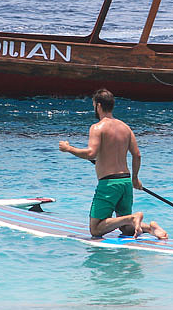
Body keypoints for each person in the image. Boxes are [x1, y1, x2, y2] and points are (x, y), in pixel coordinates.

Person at [59, 88, 167, 240]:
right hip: (125, 182)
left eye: (94, 105)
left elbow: (91, 153)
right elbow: (137, 155)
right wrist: (135, 178)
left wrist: (69, 148)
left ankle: (132, 217)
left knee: (95, 229)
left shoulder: (97, 127)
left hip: (109, 184)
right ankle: (150, 228)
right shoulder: (125, 128)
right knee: (126, 228)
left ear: (98, 105)